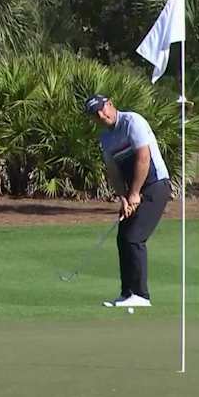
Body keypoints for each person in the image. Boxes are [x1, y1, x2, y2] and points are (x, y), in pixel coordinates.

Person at [84, 94, 171, 310]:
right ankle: (128, 293)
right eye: (96, 115)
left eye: (103, 109)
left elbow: (143, 158)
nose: (101, 115)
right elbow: (113, 171)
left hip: (155, 185)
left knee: (134, 237)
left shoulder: (133, 121)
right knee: (123, 237)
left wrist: (134, 193)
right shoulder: (106, 138)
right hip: (134, 190)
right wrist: (123, 197)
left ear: (111, 104)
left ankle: (141, 295)